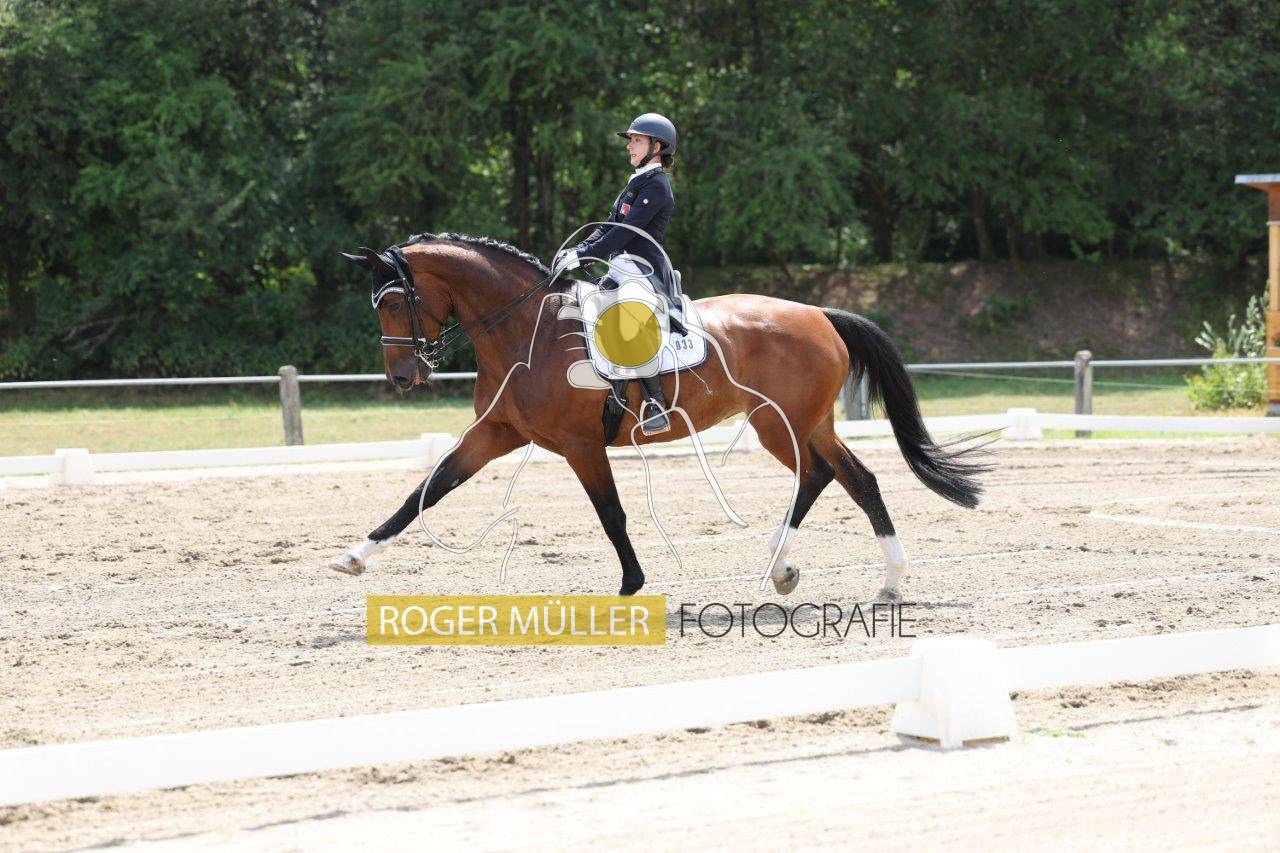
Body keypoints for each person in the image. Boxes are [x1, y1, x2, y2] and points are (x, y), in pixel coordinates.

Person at [551, 112, 684, 435]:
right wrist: (578, 250)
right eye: (631, 141)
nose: (630, 146)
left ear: (657, 146)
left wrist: (586, 254)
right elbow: (608, 227)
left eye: (637, 141)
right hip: (621, 268)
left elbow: (625, 232)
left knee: (629, 322)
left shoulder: (657, 186)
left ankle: (655, 403)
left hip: (644, 272)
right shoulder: (635, 183)